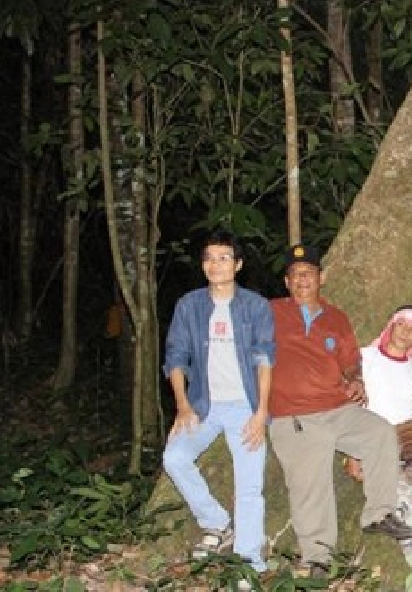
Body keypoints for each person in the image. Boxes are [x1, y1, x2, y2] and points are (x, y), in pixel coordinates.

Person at [268, 244, 412, 574]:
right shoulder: (270, 312)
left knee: (380, 433)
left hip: (337, 407)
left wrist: (356, 379)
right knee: (312, 480)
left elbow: (350, 361)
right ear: (286, 282)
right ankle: (317, 556)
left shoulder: (336, 318)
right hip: (295, 414)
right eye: (295, 275)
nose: (302, 279)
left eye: (308, 273)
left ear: (321, 278)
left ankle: (379, 514)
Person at [161, 229, 275, 573]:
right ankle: (217, 522)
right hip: (204, 405)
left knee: (249, 485)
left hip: (245, 406)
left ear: (237, 265)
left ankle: (249, 562)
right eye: (209, 258)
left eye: (224, 258)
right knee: (175, 457)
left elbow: (264, 360)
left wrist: (260, 412)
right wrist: (183, 405)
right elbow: (176, 357)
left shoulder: (255, 306)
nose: (216, 265)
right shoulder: (190, 305)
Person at [345, 305, 412, 585]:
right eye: (402, 324)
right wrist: (353, 456)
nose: (406, 332)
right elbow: (353, 409)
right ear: (391, 325)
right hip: (382, 456)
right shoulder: (366, 358)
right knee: (406, 517)